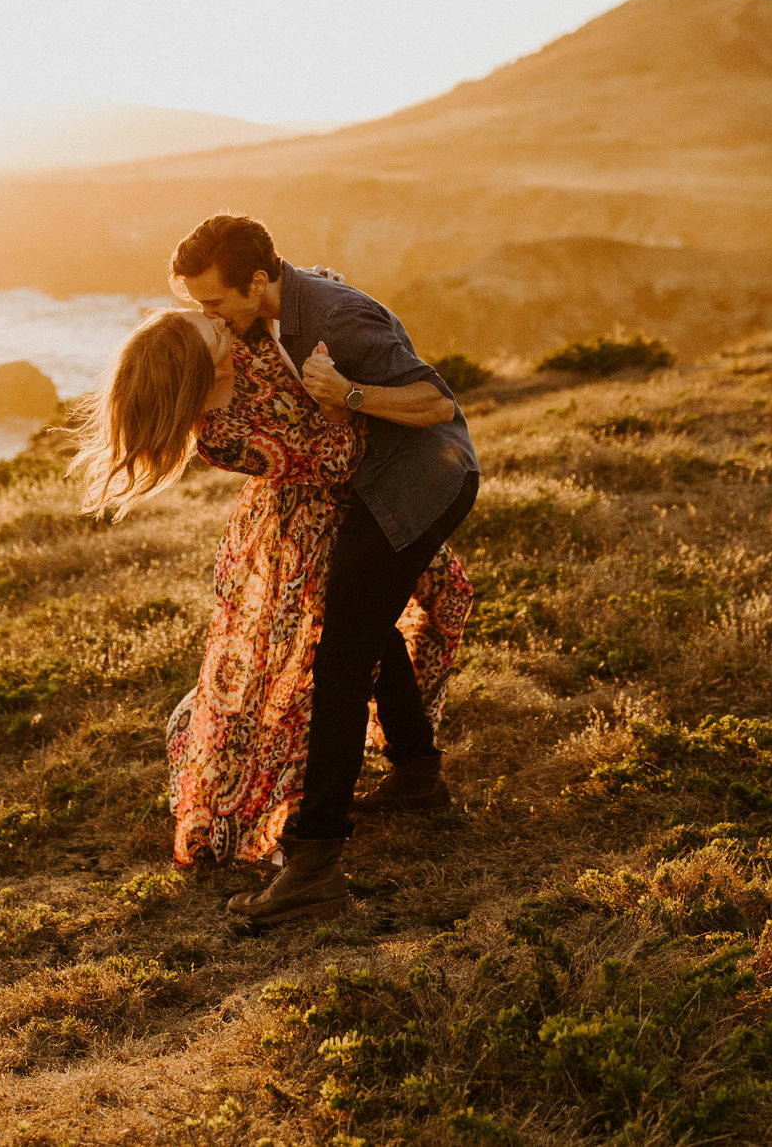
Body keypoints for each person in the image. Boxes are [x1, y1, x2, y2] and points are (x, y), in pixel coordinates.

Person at [68, 304, 471, 915]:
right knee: (345, 652)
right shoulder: (220, 432)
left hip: (354, 513)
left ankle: (416, 773)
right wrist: (337, 396)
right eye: (211, 332)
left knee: (368, 637)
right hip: (304, 539)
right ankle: (378, 802)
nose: (223, 327)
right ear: (194, 369)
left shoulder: (246, 353)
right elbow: (335, 456)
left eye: (213, 317)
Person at [170, 214, 480, 927]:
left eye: (214, 302)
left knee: (338, 656)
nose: (208, 315)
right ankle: (417, 773)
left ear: (257, 281)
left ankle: (314, 865)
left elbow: (439, 402)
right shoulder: (263, 317)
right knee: (363, 624)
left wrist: (349, 395)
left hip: (419, 485)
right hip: (370, 486)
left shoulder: (340, 319)